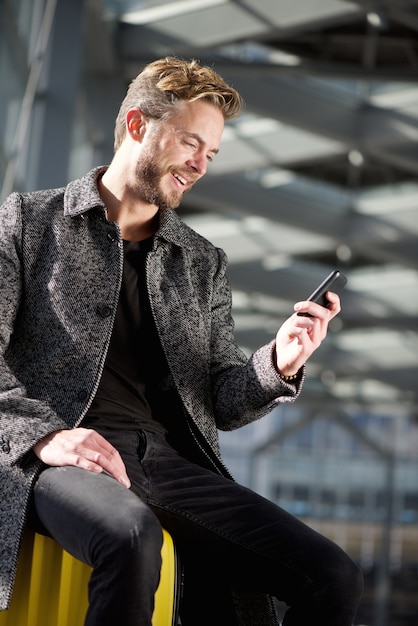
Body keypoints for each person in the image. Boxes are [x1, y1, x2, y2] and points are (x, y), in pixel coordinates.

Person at [0, 57, 363, 626]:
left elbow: (220, 396)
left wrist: (279, 362)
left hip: (169, 463)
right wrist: (44, 437)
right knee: (131, 537)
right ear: (139, 125)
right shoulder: (26, 223)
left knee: (332, 575)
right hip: (64, 455)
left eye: (211, 154)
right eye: (190, 143)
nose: (198, 165)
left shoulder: (201, 261)